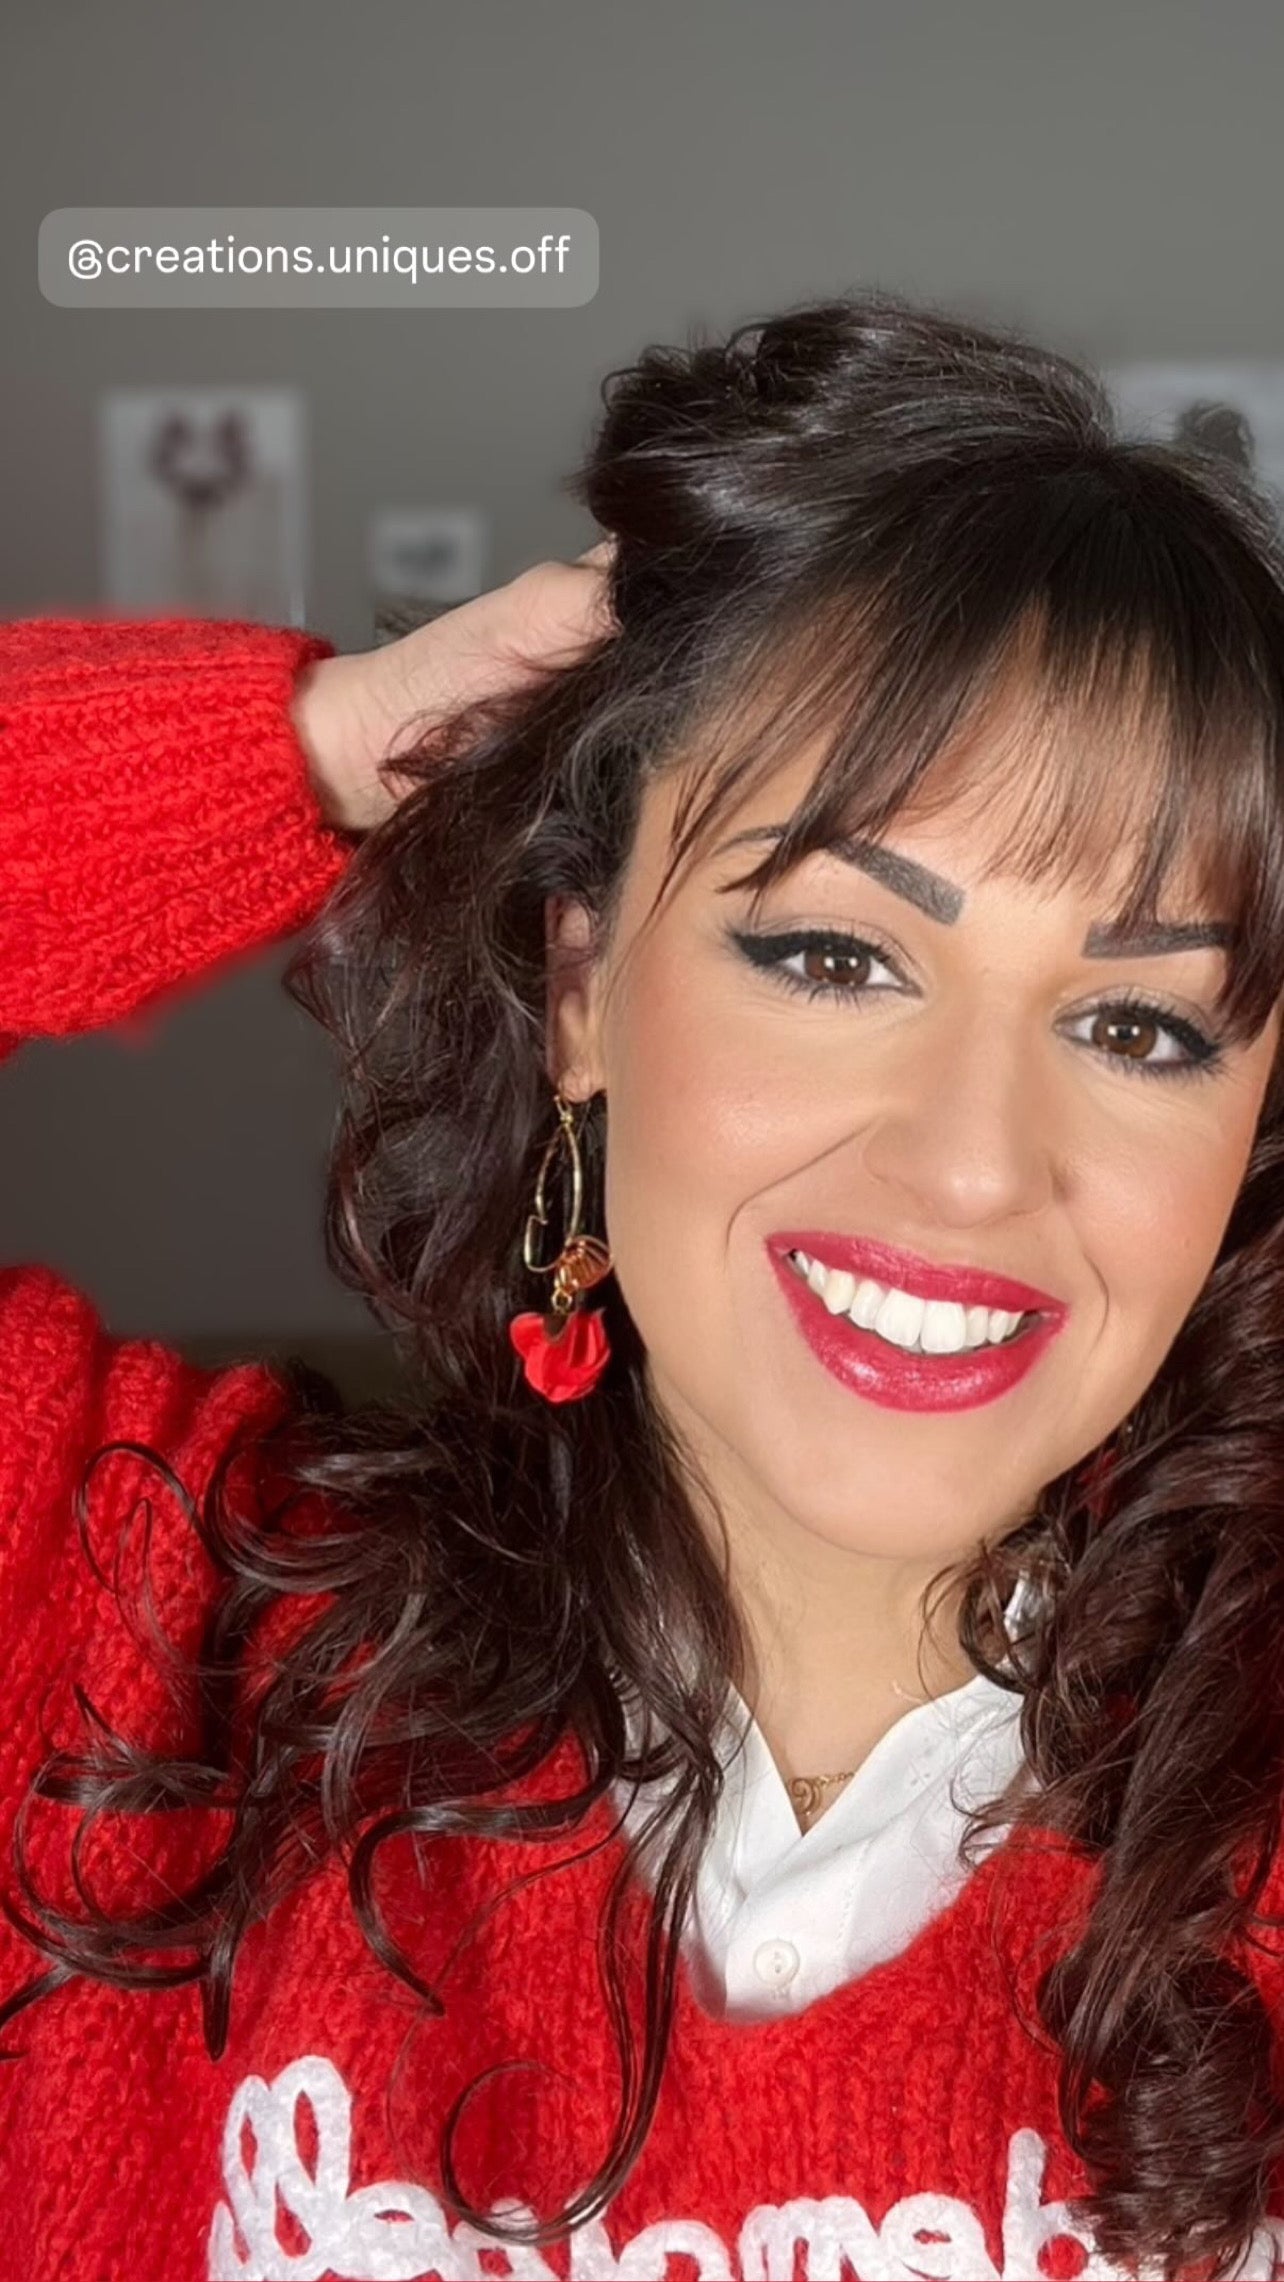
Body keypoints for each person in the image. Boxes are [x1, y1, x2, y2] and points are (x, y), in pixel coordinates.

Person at [2, 289, 1284, 2282]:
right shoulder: (137, 1652)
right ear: (586, 985)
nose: (974, 1162)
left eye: (1136, 1027)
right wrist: (323, 746)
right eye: (839, 957)